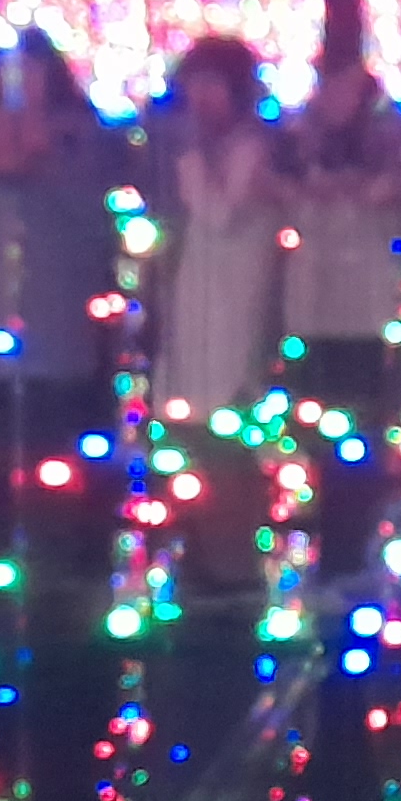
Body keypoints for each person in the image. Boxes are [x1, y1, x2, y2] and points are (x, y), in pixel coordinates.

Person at [0, 26, 127, 545]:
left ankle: (60, 552)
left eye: (30, 71)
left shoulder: (81, 141)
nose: (20, 83)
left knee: (54, 449)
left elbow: (94, 225)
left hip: (56, 326)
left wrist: (47, 161)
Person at [145, 34, 283, 598]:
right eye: (194, 85)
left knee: (225, 434)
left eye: (212, 85)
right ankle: (204, 553)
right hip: (194, 304)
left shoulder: (249, 148)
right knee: (192, 432)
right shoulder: (198, 150)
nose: (201, 98)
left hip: (233, 307)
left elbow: (219, 213)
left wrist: (189, 157)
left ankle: (234, 562)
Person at [279, 56, 401, 578]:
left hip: (363, 312)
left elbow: (390, 201)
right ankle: (329, 548)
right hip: (311, 310)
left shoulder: (389, 151)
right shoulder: (295, 147)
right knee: (317, 430)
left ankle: (351, 553)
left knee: (359, 432)